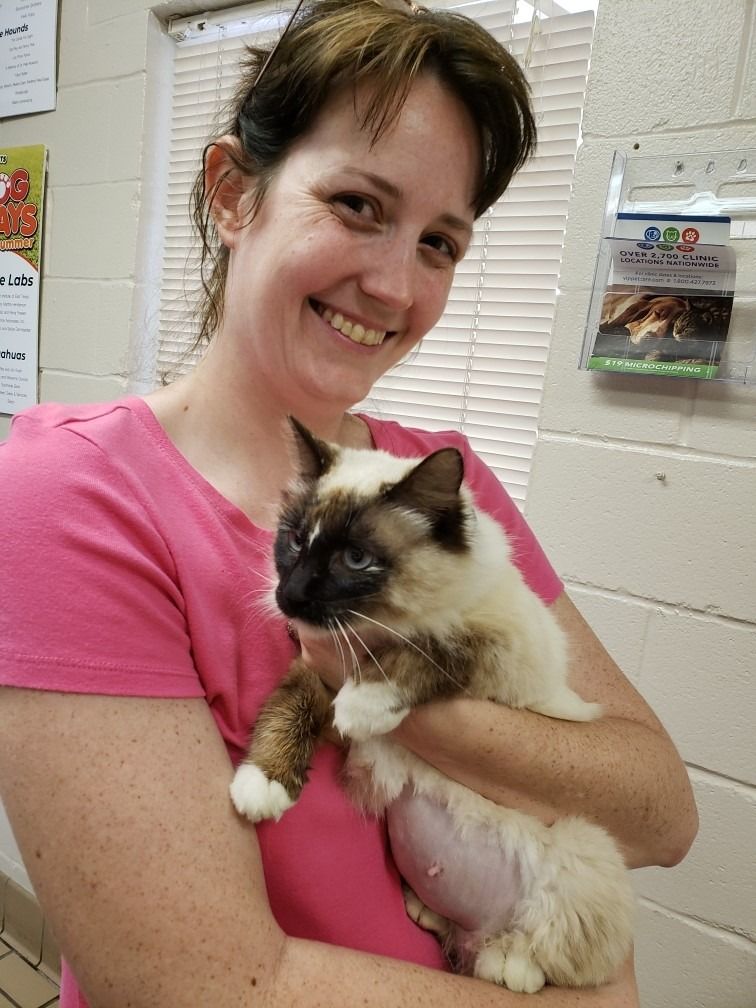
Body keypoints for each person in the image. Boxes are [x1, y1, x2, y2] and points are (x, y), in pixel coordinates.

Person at [0, 2, 697, 1005]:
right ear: (235, 195)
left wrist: (405, 702)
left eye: (440, 244)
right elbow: (195, 986)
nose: (393, 285)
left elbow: (661, 815)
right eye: (360, 206)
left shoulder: (442, 484)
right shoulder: (72, 501)